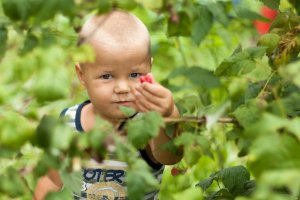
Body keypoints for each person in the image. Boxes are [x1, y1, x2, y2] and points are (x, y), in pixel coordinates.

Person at [34, 9, 182, 200]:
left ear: (149, 68)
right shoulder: (68, 122)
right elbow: (52, 179)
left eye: (135, 75)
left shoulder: (147, 124)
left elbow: (172, 156)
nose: (122, 88)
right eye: (106, 76)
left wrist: (168, 114)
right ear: (82, 75)